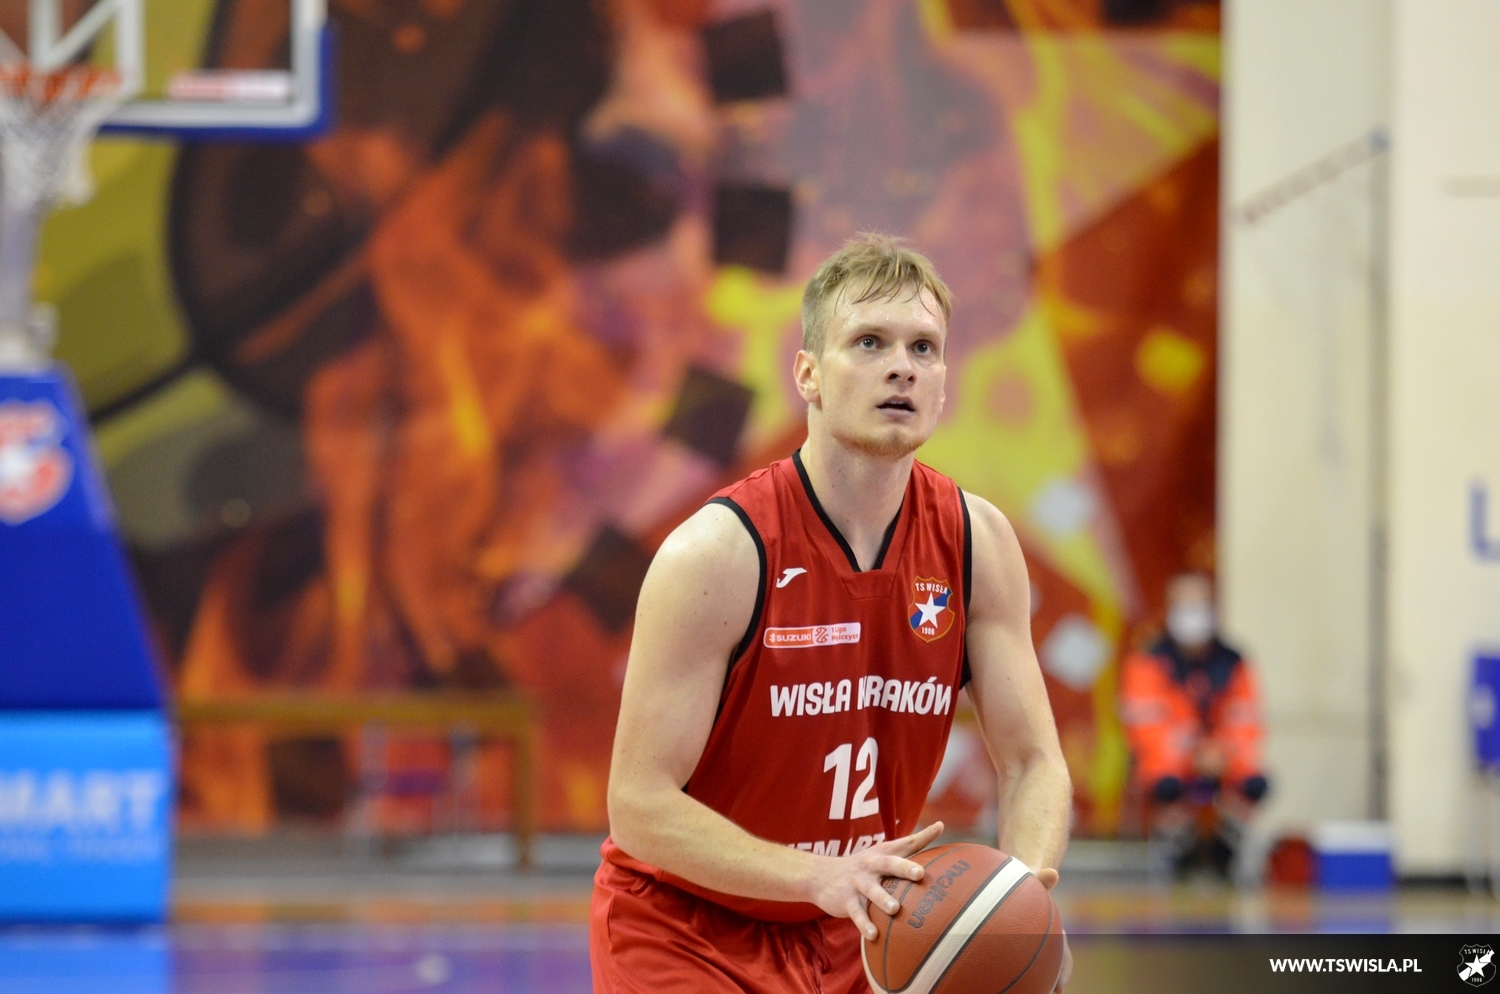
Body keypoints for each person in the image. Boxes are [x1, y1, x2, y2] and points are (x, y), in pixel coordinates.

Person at [590, 235, 1073, 993]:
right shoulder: (717, 554)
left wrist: (1018, 904)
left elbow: (1033, 762)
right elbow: (639, 805)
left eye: (923, 348)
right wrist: (815, 876)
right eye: (870, 342)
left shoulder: (976, 542)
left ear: (943, 383)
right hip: (686, 930)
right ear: (808, 374)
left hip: (858, 925)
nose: (901, 366)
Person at [1119, 572, 1269, 878]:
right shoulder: (1147, 662)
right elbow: (1147, 727)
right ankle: (1179, 853)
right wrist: (1192, 754)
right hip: (1170, 761)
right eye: (1184, 608)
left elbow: (1246, 718)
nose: (1192, 617)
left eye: (1199, 607)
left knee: (1253, 783)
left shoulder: (1234, 662)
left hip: (1223, 760)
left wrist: (1222, 753)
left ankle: (1226, 852)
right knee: (1165, 786)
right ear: (1168, 611)